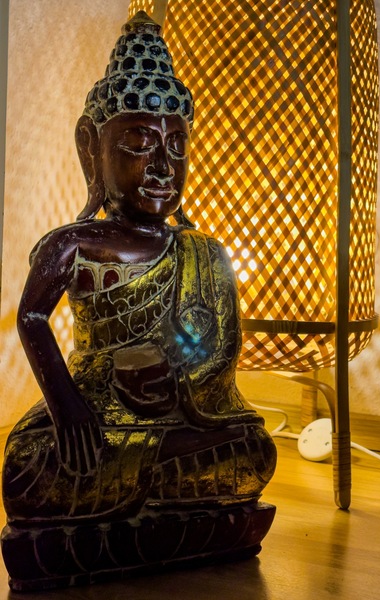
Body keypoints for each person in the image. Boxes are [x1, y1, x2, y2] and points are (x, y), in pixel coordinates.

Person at [2, 11, 276, 526]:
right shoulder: (73, 244)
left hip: (176, 419)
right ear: (92, 149)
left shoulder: (205, 253)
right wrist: (68, 408)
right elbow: (32, 318)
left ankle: (123, 509)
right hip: (95, 415)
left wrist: (176, 377)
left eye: (177, 147)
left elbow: (219, 351)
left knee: (252, 448)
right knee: (25, 467)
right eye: (140, 143)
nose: (163, 168)